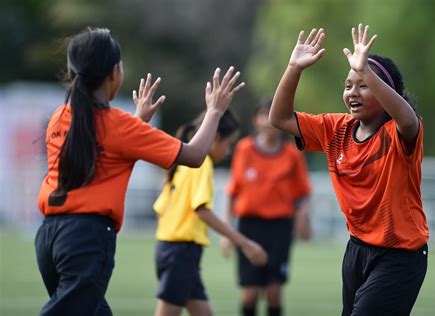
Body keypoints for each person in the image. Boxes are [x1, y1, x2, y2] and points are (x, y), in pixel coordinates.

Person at [35, 27, 245, 316]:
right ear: (114, 74)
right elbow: (195, 155)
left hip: (49, 237)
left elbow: (101, 155)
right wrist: (214, 112)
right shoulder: (120, 126)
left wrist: (137, 122)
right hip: (85, 239)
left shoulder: (59, 117)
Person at [268, 24, 429, 315]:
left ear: (385, 92)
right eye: (348, 85)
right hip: (357, 250)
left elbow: (407, 118)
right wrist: (293, 68)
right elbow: (279, 118)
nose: (353, 91)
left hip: (400, 256)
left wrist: (365, 69)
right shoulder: (335, 128)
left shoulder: (399, 132)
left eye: (363, 85)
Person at [152, 110, 268, 316]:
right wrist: (244, 242)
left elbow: (161, 209)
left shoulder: (184, 159)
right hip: (180, 252)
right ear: (215, 138)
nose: (229, 150)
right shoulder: (200, 162)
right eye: (229, 143)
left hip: (174, 250)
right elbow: (202, 211)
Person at [221, 98, 312, 316]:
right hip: (249, 228)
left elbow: (304, 194)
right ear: (256, 120)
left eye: (275, 114)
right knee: (250, 293)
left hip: (280, 228)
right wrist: (227, 232)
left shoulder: (292, 155)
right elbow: (232, 192)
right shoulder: (244, 150)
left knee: (273, 291)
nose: (269, 120)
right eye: (264, 114)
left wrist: (302, 219)